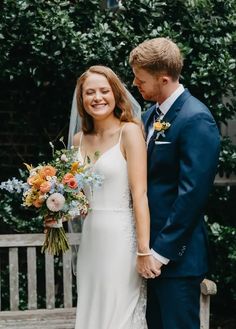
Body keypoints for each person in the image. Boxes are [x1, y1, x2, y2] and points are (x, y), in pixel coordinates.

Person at [129, 38, 220, 329]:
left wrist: (160, 253)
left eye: (140, 79)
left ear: (164, 79)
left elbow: (192, 194)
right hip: (147, 255)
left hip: (176, 260)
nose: (134, 84)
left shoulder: (196, 119)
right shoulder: (148, 117)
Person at [72, 65, 160, 329]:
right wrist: (54, 208)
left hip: (122, 240)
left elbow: (140, 194)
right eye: (90, 92)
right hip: (91, 239)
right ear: (82, 99)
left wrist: (143, 250)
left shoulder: (129, 132)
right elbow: (77, 198)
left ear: (115, 94)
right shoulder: (78, 140)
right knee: (93, 310)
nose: (97, 98)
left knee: (119, 314)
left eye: (103, 91)